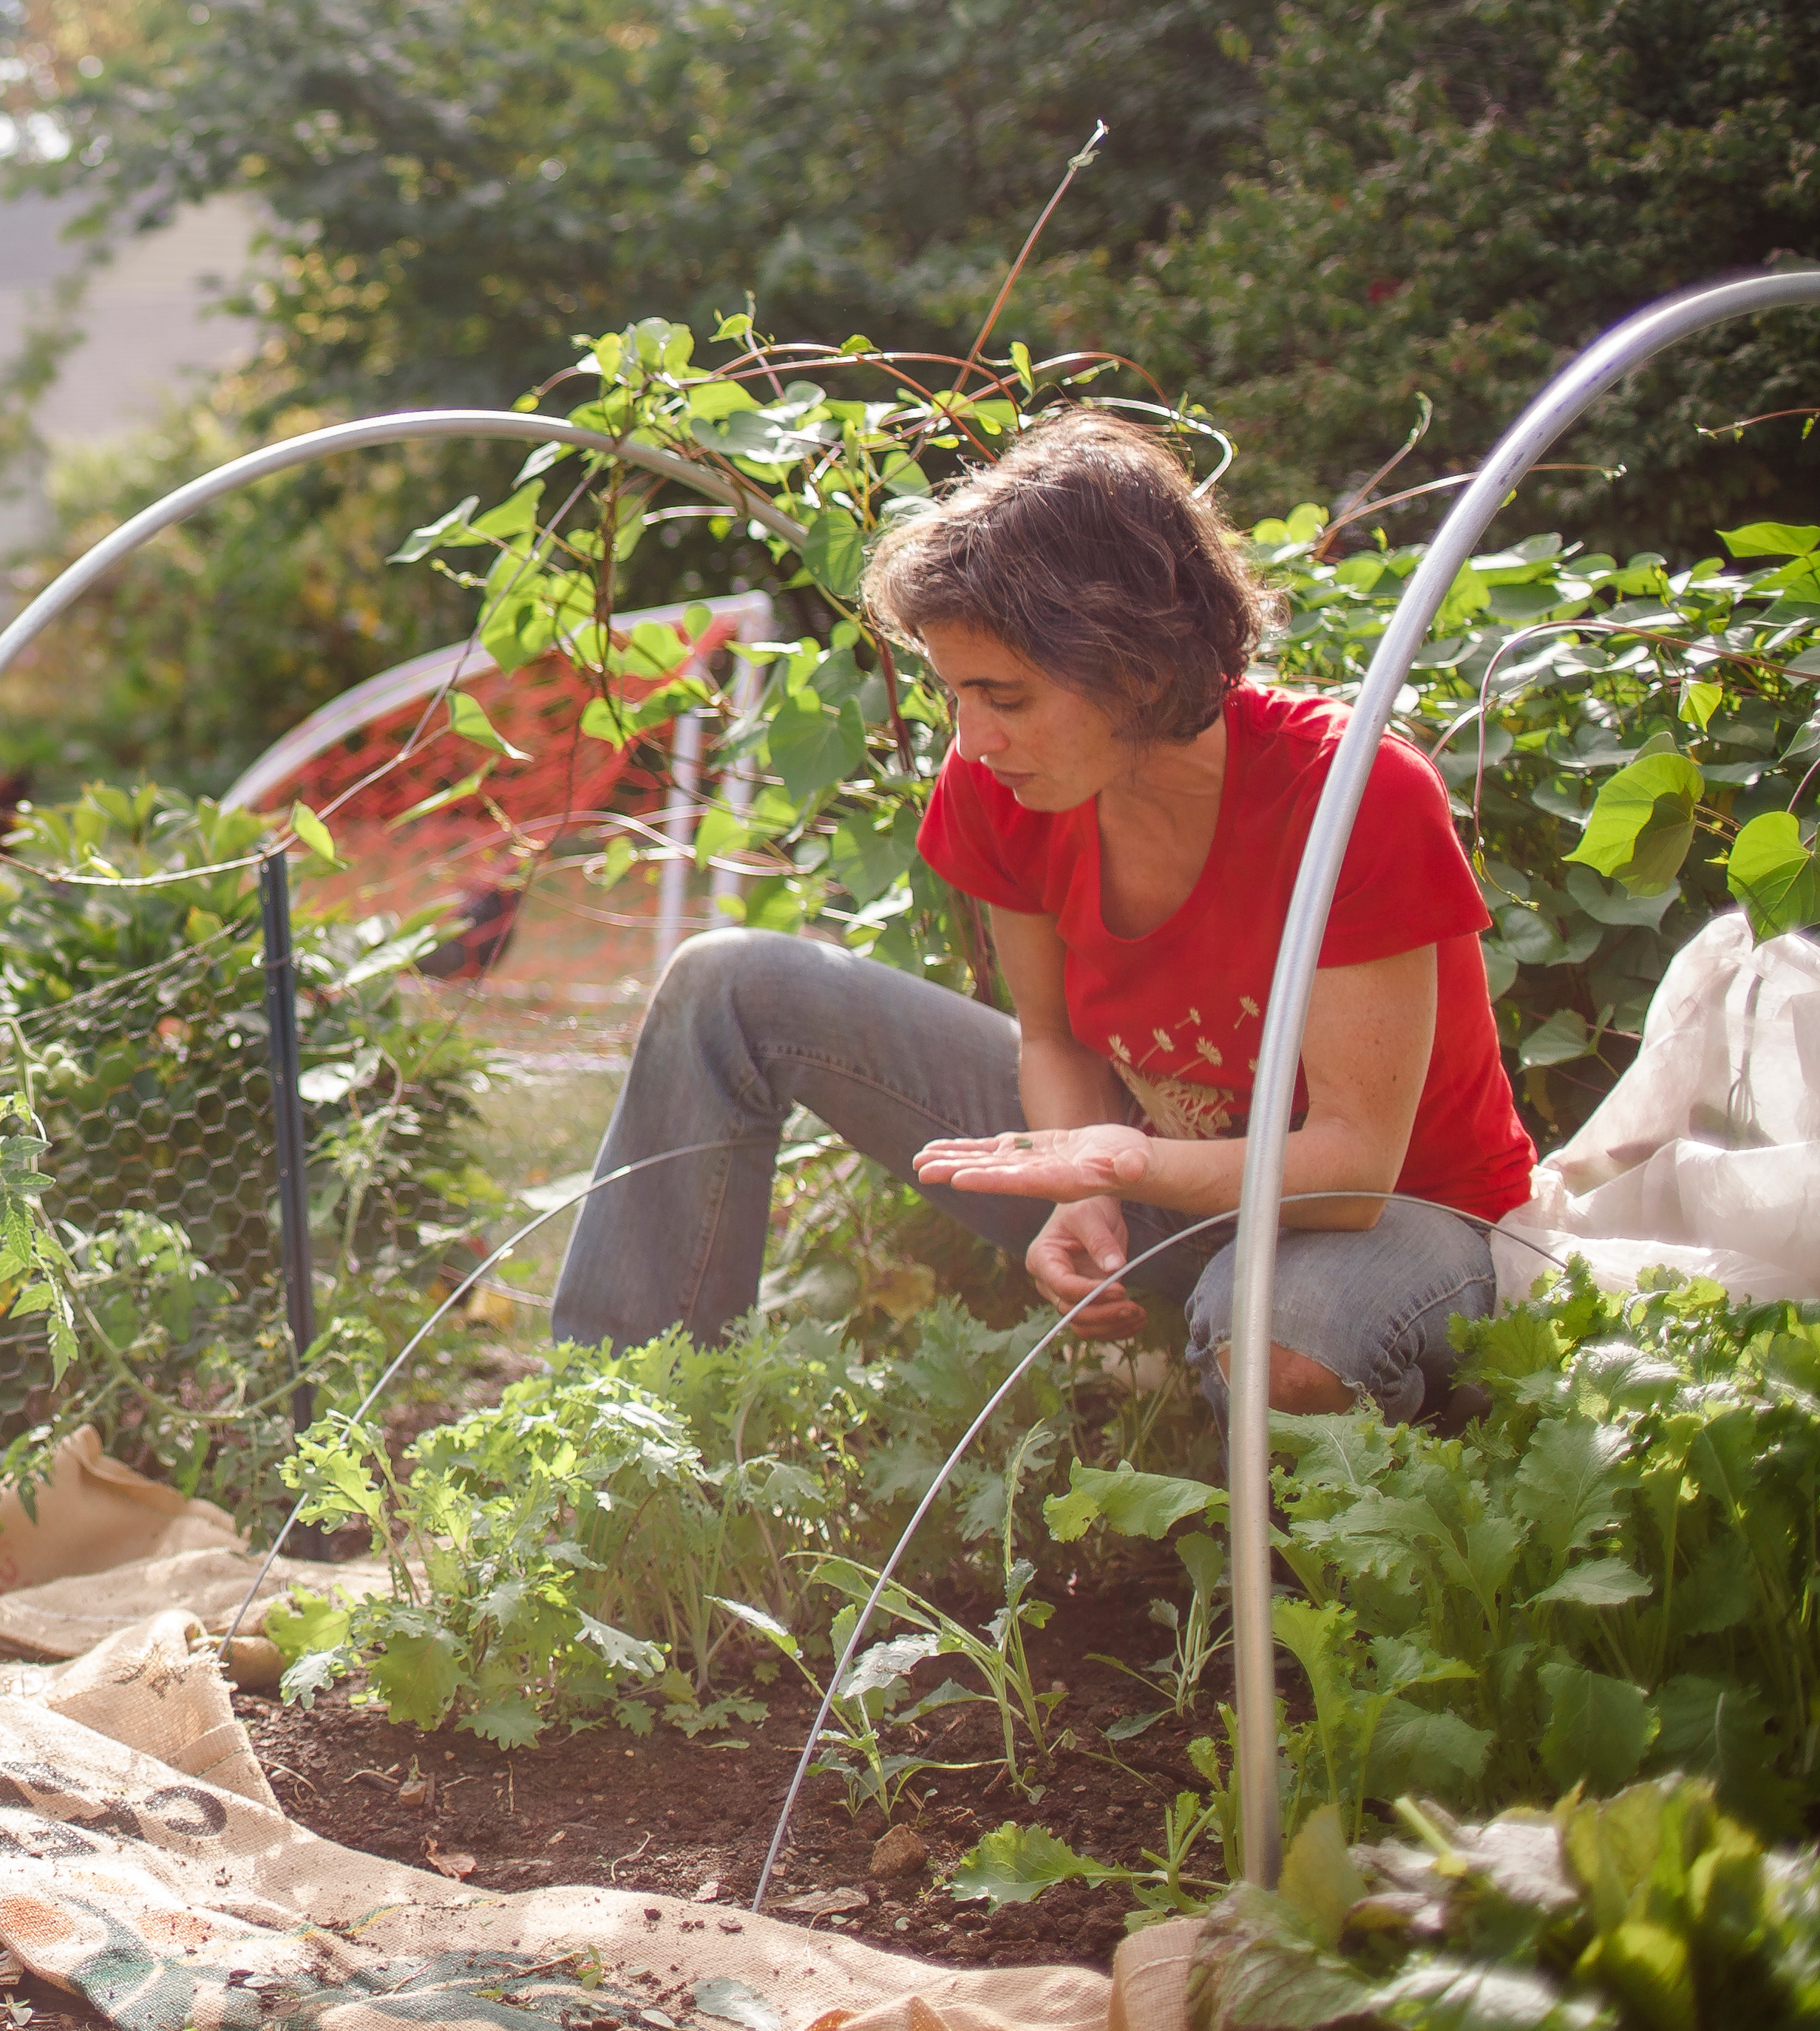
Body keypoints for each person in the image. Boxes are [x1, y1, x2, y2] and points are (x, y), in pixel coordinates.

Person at [551, 412, 1535, 1419]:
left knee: (1284, 1346)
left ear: (1138, 667)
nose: (972, 741)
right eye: (955, 696)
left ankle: (1304, 1455)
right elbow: (1054, 1039)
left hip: (1385, 1219)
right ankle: (618, 1428)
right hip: (1146, 1170)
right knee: (732, 984)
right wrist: (1084, 1192)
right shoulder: (1006, 787)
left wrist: (1115, 1160)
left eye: (1006, 697)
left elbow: (1353, 1171)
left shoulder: (1353, 793)